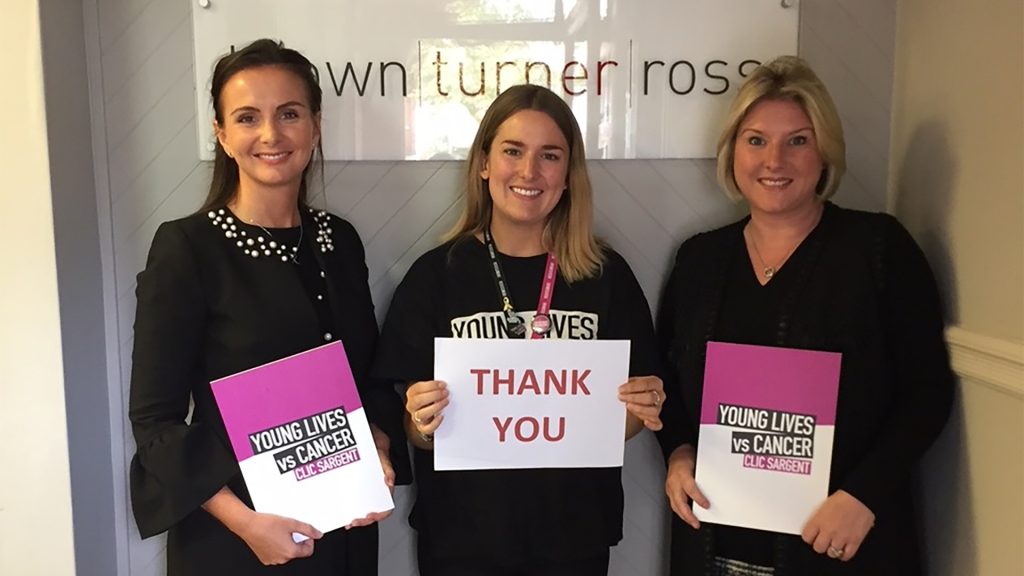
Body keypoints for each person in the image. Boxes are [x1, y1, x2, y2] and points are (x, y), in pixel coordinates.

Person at [656, 55, 954, 575]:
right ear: (732, 152)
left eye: (797, 140)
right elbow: (667, 382)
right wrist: (678, 452)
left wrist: (864, 496)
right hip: (713, 544)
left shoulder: (878, 250)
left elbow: (927, 393)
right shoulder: (700, 258)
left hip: (837, 549)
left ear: (824, 153)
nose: (774, 160)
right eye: (755, 140)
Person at [128, 39, 408, 576]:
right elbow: (155, 421)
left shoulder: (339, 240)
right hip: (235, 537)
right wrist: (246, 524)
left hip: (343, 528)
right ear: (222, 134)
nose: (271, 134)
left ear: (315, 126)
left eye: (289, 114)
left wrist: (379, 451)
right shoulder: (188, 247)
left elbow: (365, 381)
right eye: (247, 117)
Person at [371, 83, 665, 576]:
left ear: (568, 175)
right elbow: (416, 433)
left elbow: (626, 418)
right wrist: (421, 422)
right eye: (512, 151)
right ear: (484, 163)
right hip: (463, 538)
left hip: (574, 537)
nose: (529, 172)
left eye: (549, 155)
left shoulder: (605, 276)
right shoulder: (436, 275)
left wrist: (641, 408)